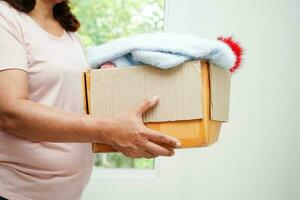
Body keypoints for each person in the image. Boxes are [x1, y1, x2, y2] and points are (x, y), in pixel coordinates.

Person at [0, 0, 181, 199]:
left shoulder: (67, 29)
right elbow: (9, 112)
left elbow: (70, 108)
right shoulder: (6, 17)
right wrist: (108, 130)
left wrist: (126, 133)